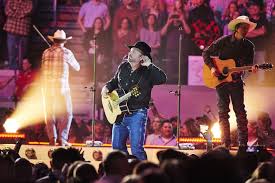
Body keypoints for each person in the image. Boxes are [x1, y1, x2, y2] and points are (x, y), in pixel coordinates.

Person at [101, 41, 166, 160]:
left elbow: (162, 79)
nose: (130, 54)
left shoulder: (148, 72)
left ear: (142, 57)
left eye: (134, 52)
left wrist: (150, 65)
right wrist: (106, 87)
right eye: (130, 51)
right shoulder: (123, 66)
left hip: (137, 113)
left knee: (136, 149)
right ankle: (123, 172)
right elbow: (114, 81)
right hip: (119, 113)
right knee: (117, 148)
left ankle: (142, 175)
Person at [202, 15, 258, 150]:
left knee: (240, 112)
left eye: (247, 28)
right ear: (237, 28)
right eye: (243, 27)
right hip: (221, 81)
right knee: (223, 112)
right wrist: (213, 68)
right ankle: (225, 143)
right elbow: (206, 53)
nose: (245, 30)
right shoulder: (224, 41)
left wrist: (252, 69)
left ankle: (242, 144)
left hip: (236, 81)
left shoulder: (249, 46)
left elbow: (248, 65)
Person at [42, 30, 80, 146]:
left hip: (47, 87)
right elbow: (77, 67)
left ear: (53, 40)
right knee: (67, 114)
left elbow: (43, 69)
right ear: (64, 41)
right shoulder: (66, 53)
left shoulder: (46, 52)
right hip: (62, 88)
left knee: (50, 114)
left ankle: (52, 138)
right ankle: (62, 139)